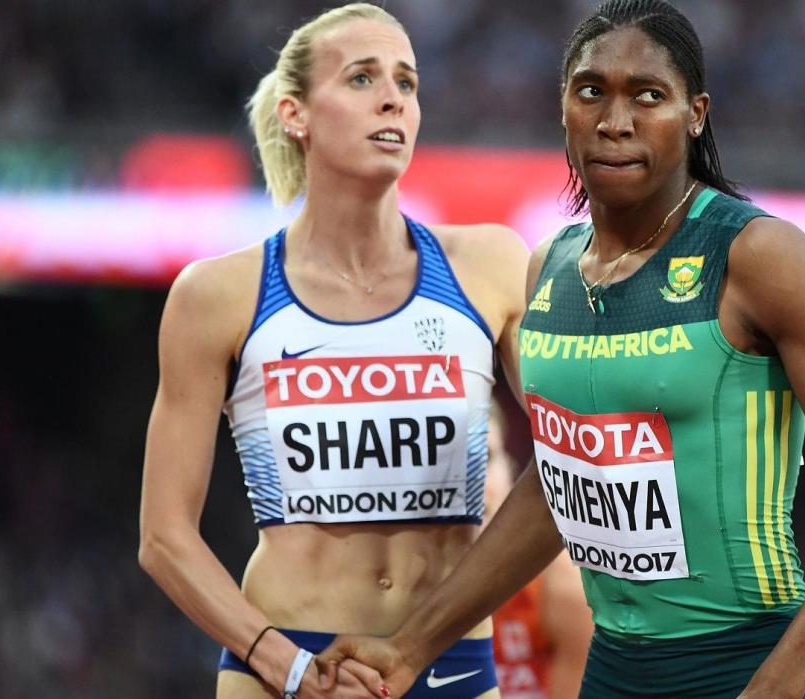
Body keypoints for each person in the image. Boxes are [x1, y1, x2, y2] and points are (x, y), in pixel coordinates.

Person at [315, 2, 805, 697]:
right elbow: (560, 483)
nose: (615, 120)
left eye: (647, 95)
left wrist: (783, 678)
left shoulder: (759, 256)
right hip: (611, 671)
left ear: (696, 113)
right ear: (564, 108)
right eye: (591, 91)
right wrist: (410, 646)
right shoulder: (549, 269)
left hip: (747, 662)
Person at [137, 4, 529, 698]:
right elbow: (164, 536)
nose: (393, 98)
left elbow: (570, 467)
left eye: (407, 83)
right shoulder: (217, 295)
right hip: (286, 663)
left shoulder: (492, 265)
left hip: (447, 657)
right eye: (361, 78)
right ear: (296, 114)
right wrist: (288, 667)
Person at [483, 401, 592, 699]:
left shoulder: (562, 587)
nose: (475, 484)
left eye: (487, 458)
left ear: (512, 468)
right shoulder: (390, 589)